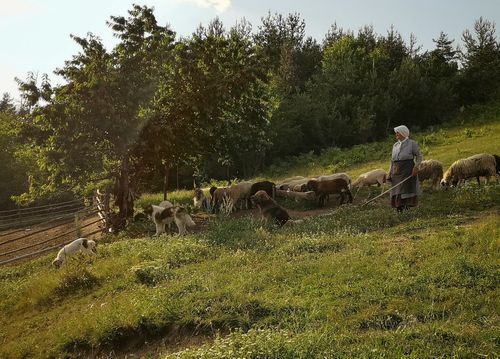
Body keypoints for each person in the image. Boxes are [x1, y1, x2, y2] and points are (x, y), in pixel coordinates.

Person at [388, 125, 422, 213]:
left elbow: (419, 156)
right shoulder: (395, 145)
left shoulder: (411, 143)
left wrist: (416, 167)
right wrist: (389, 173)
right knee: (396, 190)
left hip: (407, 169)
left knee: (405, 189)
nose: (396, 134)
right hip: (396, 171)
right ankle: (399, 209)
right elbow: (392, 161)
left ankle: (405, 209)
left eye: (398, 132)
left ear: (403, 133)